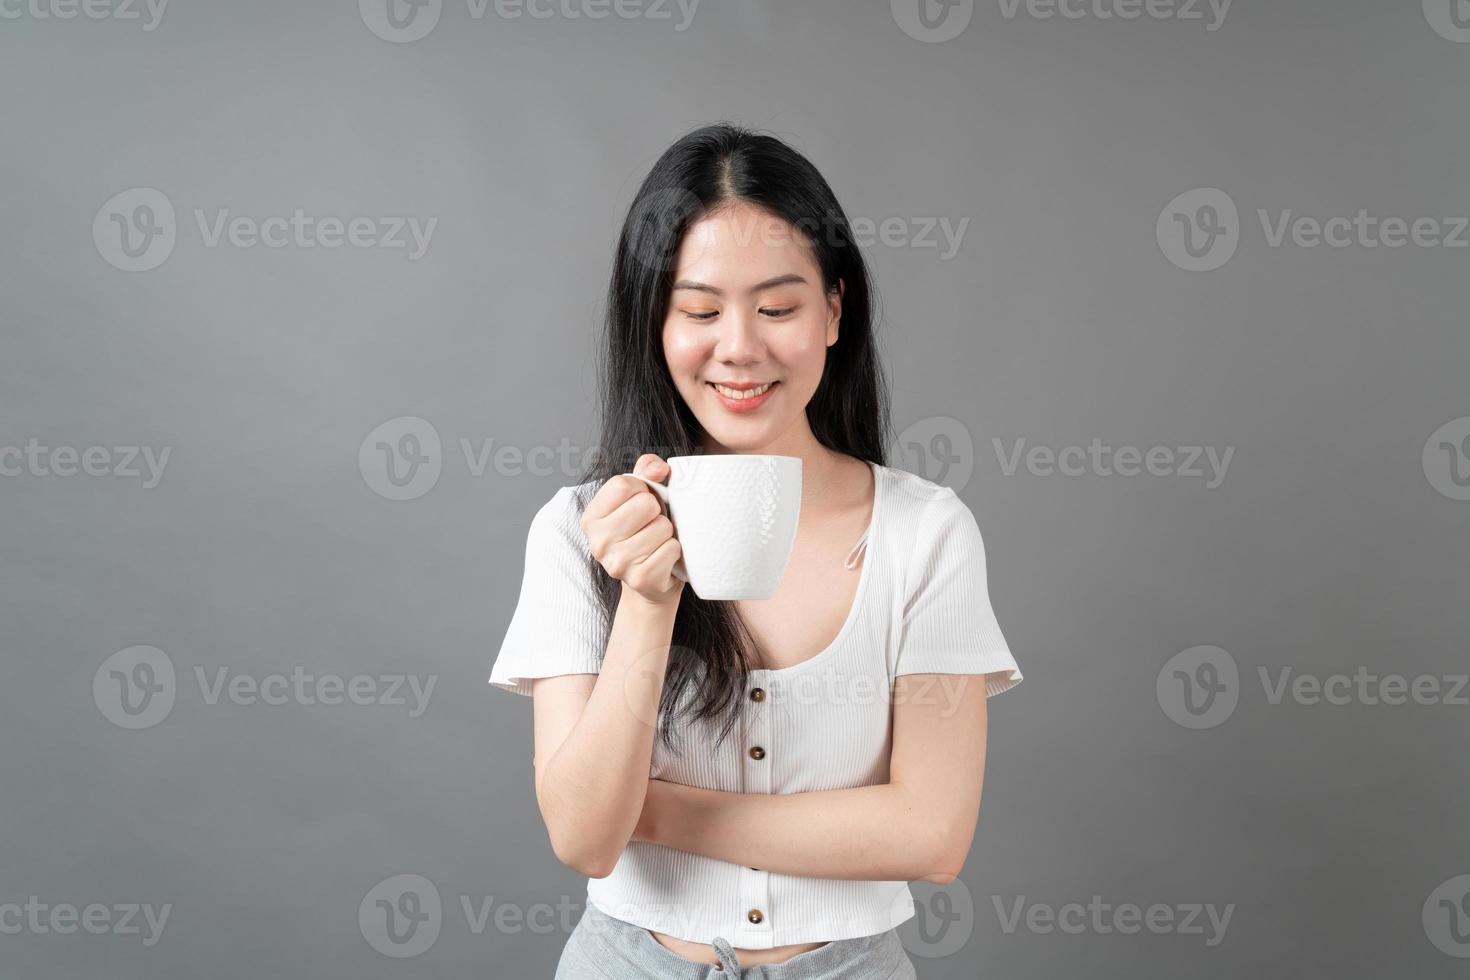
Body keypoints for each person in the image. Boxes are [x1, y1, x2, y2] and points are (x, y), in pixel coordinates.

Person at [489, 122, 1023, 979]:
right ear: (654, 324)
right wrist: (649, 600)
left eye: (778, 308)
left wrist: (653, 813)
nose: (739, 346)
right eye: (699, 310)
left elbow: (933, 835)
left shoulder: (926, 532)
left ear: (835, 310)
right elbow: (586, 835)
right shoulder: (581, 528)